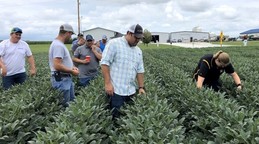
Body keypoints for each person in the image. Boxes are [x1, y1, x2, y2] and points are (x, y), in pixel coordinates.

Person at [100, 24, 146, 119]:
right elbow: (104, 64)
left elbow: (140, 70)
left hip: (131, 91)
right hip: (116, 91)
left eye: (139, 38)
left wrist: (141, 87)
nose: (138, 40)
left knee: (129, 119)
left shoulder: (138, 50)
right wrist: (107, 83)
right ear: (129, 33)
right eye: (136, 37)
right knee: (116, 119)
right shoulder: (114, 44)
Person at [49, 24, 79, 107]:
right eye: (71, 34)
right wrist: (72, 71)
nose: (71, 37)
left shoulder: (59, 44)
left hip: (65, 78)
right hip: (62, 79)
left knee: (70, 104)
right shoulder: (58, 45)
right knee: (64, 106)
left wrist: (72, 67)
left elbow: (62, 62)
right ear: (67, 33)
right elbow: (57, 65)